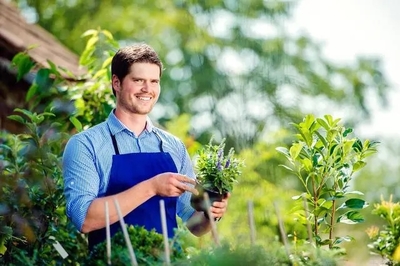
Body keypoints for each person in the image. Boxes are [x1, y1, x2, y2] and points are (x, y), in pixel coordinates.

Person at [62, 43, 229, 249]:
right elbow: (84, 218)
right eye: (138, 80)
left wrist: (209, 214)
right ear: (117, 83)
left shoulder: (173, 146)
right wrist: (152, 187)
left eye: (154, 81)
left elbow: (193, 224)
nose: (147, 89)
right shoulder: (86, 144)